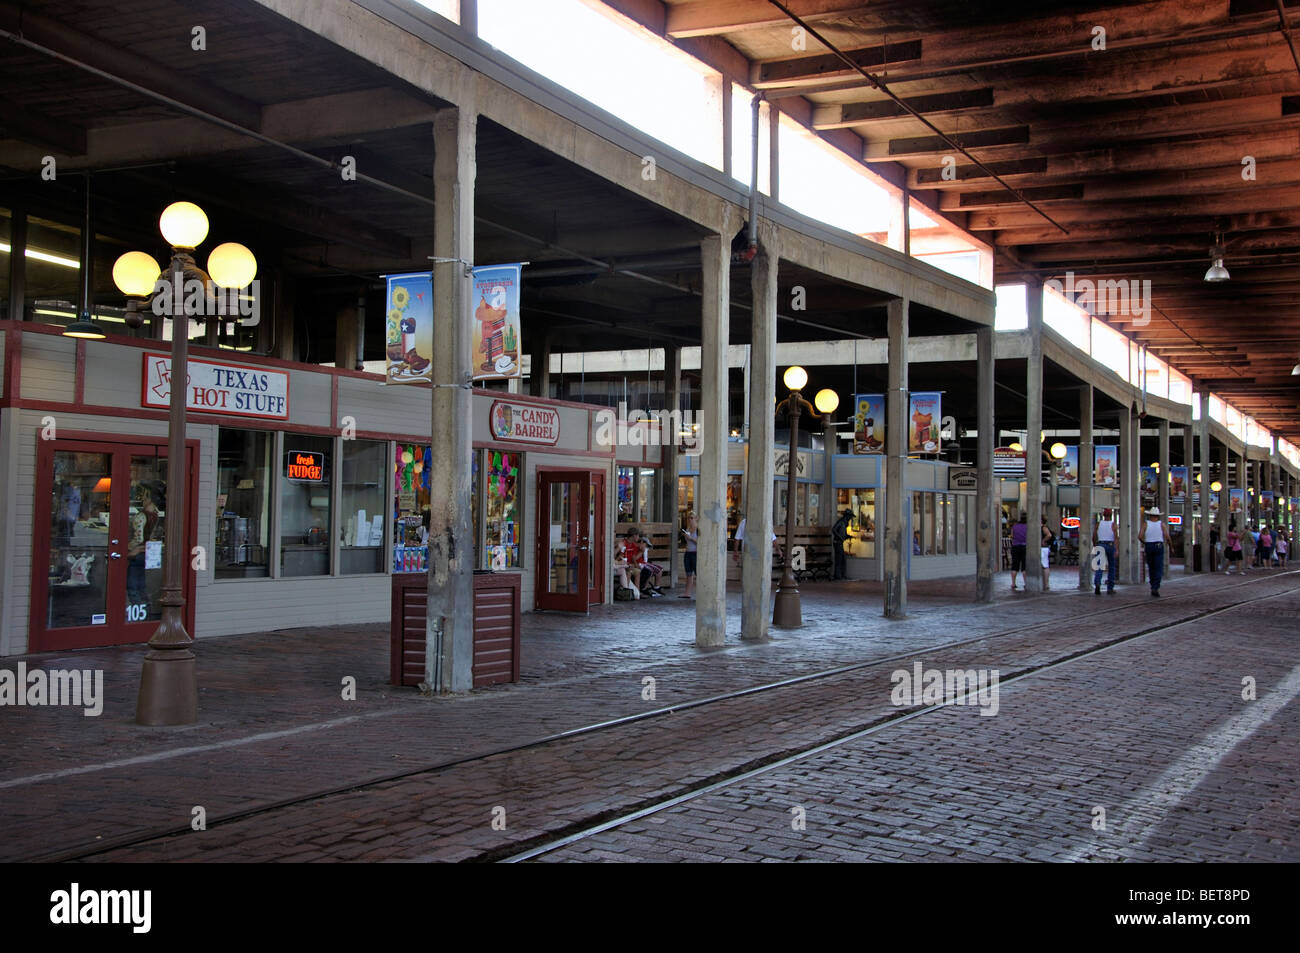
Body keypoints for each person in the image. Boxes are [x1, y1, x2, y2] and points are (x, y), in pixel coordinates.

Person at [1139, 506, 1173, 596]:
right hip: (1158, 546)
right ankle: (1155, 587)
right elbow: (1167, 537)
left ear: (1150, 515)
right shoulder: (1161, 524)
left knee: (1151, 567)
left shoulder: (1145, 524)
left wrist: (1145, 543)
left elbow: (1140, 536)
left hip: (1149, 546)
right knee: (1158, 568)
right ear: (1158, 516)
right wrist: (1171, 546)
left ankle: (1152, 584)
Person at [1092, 507, 1117, 594]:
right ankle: (1110, 587)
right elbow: (1116, 537)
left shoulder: (1098, 524)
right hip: (1110, 544)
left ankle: (1097, 584)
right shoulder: (1113, 524)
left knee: (1099, 566)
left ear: (1103, 515)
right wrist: (1116, 549)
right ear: (1111, 515)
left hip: (1100, 544)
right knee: (1112, 567)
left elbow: (1094, 535)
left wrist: (1095, 545)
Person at [680, 512, 698, 599]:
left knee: (697, 573)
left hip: (695, 553)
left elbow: (700, 542)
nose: (690, 520)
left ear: (696, 518)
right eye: (689, 518)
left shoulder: (698, 529)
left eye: (692, 518)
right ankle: (687, 593)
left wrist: (690, 538)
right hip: (688, 552)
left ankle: (700, 592)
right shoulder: (688, 528)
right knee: (688, 574)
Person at [830, 508, 853, 580]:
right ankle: (838, 576)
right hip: (837, 543)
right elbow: (834, 529)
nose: (850, 518)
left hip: (840, 543)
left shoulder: (844, 523)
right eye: (850, 517)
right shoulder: (841, 522)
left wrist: (848, 536)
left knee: (842, 559)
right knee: (839, 559)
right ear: (847, 516)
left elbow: (844, 534)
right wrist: (840, 537)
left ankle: (841, 575)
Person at [1009, 512, 1028, 591]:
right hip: (1024, 546)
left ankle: (1013, 583)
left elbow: (1012, 536)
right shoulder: (1028, 527)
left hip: (1015, 546)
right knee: (1024, 566)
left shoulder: (1014, 527)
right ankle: (1026, 583)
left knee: (1015, 565)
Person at [1040, 515, 1055, 591]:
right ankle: (1045, 583)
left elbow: (1049, 535)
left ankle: (1046, 583)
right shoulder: (1042, 527)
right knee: (1044, 565)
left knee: (1045, 565)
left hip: (1043, 548)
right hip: (1042, 548)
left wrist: (1043, 540)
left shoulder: (1043, 528)